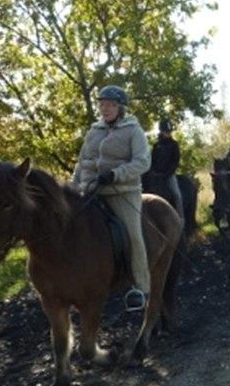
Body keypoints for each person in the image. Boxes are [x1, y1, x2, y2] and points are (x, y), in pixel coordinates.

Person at [72, 85, 151, 311]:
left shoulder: (134, 131)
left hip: (121, 191)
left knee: (133, 234)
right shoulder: (93, 130)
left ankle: (139, 287)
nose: (104, 108)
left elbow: (143, 162)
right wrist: (74, 186)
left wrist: (116, 175)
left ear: (120, 108)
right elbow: (82, 161)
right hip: (89, 189)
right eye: (102, 104)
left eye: (110, 105)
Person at [150, 118, 184, 221]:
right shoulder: (156, 145)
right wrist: (153, 172)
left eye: (169, 132)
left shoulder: (174, 145)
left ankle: (180, 219)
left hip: (169, 175)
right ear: (161, 131)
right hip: (156, 175)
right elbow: (153, 160)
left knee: (176, 194)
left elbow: (175, 161)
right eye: (165, 132)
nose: (167, 134)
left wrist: (167, 174)